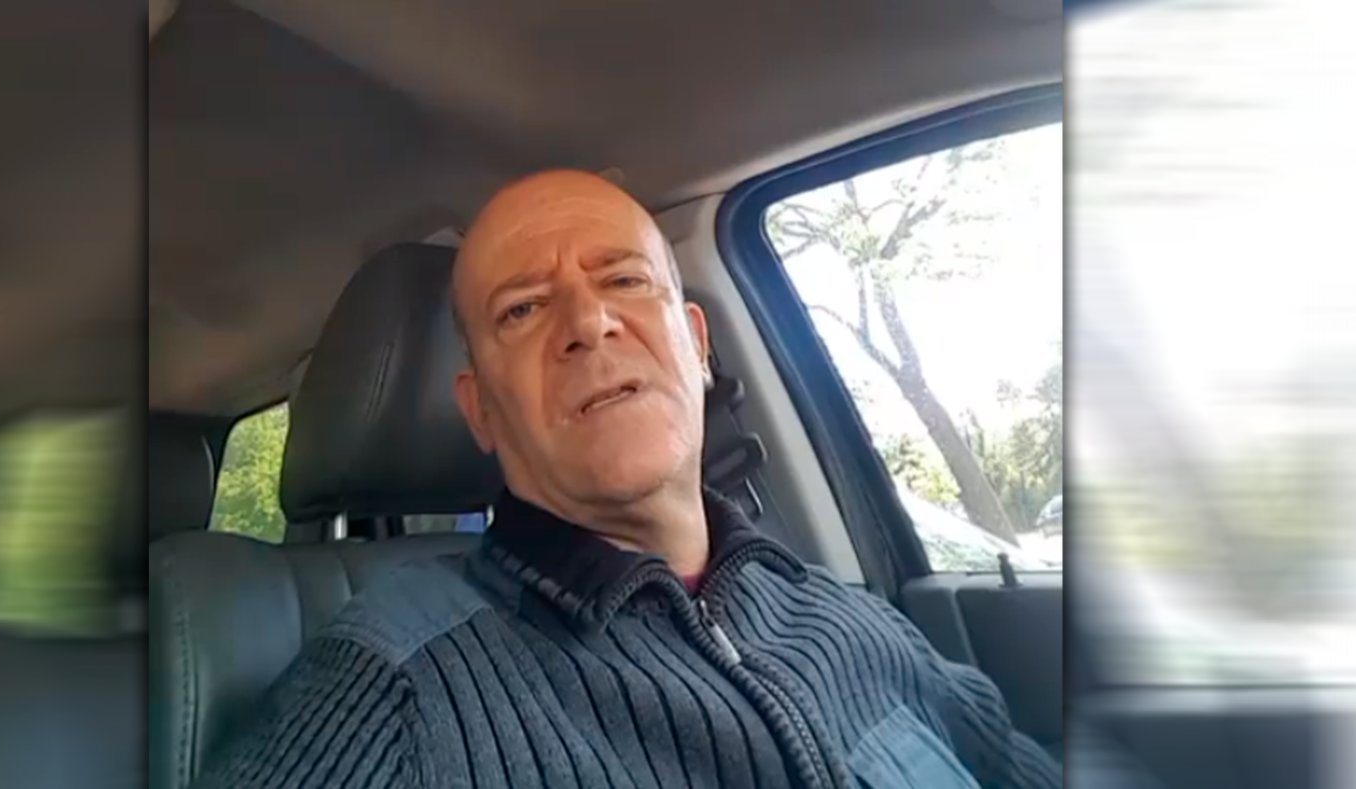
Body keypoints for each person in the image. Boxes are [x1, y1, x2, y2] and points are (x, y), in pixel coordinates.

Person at [195, 170, 1062, 788]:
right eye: (523, 308)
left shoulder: (846, 615)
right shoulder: (393, 684)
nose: (589, 319)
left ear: (696, 343)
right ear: (481, 409)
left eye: (623, 279)